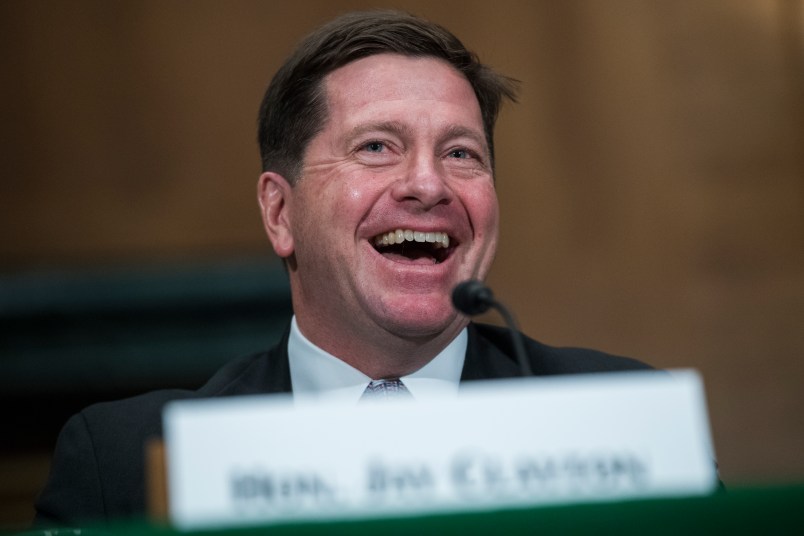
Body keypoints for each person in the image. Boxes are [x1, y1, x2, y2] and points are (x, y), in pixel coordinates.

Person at [34, 10, 651, 526]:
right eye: (377, 147)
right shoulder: (125, 461)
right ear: (280, 213)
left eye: (461, 153)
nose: (428, 184)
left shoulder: (621, 421)